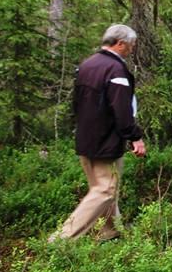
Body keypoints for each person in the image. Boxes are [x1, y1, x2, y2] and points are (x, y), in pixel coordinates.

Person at [49, 24, 146, 243]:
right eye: (130, 46)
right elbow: (121, 109)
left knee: (104, 188)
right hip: (106, 142)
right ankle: (61, 240)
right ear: (120, 44)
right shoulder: (115, 70)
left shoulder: (86, 65)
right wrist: (134, 136)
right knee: (105, 191)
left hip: (86, 139)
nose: (131, 50)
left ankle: (111, 231)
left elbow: (77, 104)